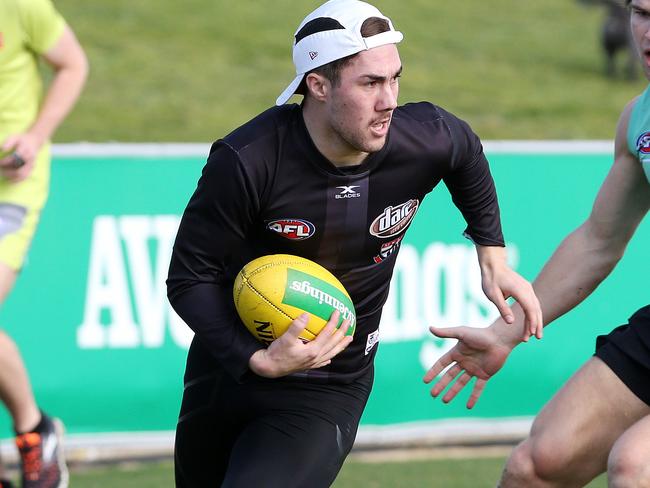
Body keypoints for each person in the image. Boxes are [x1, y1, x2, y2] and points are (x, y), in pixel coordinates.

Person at [167, 0, 541, 486]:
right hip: (227, 372)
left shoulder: (422, 138)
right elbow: (188, 278)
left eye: (394, 79)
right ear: (317, 86)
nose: (389, 100)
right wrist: (255, 358)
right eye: (369, 83)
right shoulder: (248, 160)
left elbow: (465, 150)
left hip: (328, 384)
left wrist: (491, 253)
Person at [424, 0, 650, 486]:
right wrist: (504, 332)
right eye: (642, 13)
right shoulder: (639, 120)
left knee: (637, 465)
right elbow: (598, 241)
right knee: (536, 466)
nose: (647, 31)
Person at [0, 0, 88, 486]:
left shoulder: (19, 6)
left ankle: (35, 431)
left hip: (10, 189)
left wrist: (34, 137)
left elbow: (73, 63)